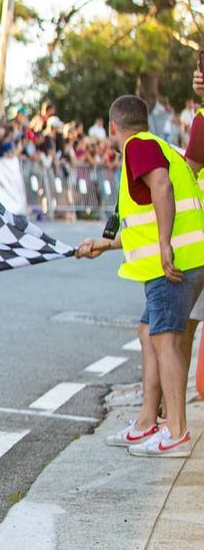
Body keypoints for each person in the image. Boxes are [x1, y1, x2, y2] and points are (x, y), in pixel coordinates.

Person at [76, 95, 204, 458]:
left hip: (173, 263)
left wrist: (165, 245)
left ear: (112, 126)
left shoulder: (138, 147)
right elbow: (142, 221)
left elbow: (161, 187)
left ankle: (176, 432)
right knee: (149, 332)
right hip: (189, 257)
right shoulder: (159, 145)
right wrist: (104, 244)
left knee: (165, 339)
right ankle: (147, 422)